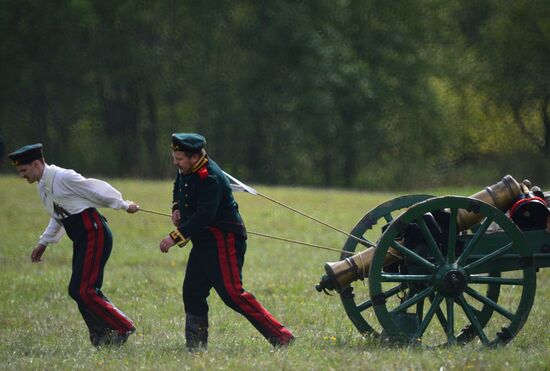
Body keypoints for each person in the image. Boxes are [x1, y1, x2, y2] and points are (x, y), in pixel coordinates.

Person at [159, 133, 295, 350]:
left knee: (233, 293)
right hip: (204, 241)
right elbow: (180, 184)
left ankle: (282, 337)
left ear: (194, 157)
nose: (175, 163)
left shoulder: (210, 177)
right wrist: (176, 207)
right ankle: (196, 348)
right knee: (192, 291)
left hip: (224, 240)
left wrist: (174, 237)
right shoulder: (188, 169)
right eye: (174, 157)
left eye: (180, 158)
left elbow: (204, 216)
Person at [8, 143, 139, 347]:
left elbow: (95, 189)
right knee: (77, 290)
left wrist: (123, 205)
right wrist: (43, 243)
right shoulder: (43, 185)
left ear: (36, 163)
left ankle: (121, 326)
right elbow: (59, 215)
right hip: (82, 237)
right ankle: (103, 336)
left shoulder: (63, 177)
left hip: (94, 233)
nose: (21, 175)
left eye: (23, 170)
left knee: (85, 289)